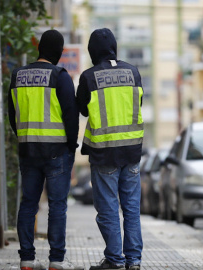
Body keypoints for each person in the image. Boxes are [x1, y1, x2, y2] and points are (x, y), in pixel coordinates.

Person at [8, 29, 83, 270]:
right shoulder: (59, 76)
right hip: (56, 151)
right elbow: (71, 116)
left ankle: (27, 259)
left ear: (40, 48)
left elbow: (12, 115)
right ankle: (56, 261)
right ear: (58, 52)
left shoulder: (17, 75)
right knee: (57, 205)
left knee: (28, 204)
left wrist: (24, 136)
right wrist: (72, 145)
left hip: (28, 149)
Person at [76, 28, 144, 270]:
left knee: (108, 211)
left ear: (92, 51)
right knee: (132, 210)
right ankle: (134, 261)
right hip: (132, 152)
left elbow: (82, 110)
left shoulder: (89, 77)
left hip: (105, 154)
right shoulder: (134, 72)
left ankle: (115, 260)